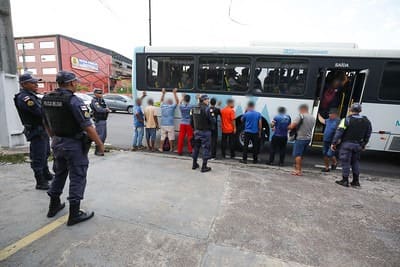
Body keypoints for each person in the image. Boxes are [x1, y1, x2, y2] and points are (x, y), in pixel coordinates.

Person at [42, 71, 104, 226]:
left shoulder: (47, 98)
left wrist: (53, 137)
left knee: (59, 174)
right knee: (77, 176)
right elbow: (87, 126)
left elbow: (45, 122)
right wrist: (100, 143)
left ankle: (53, 206)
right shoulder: (74, 101)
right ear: (70, 83)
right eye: (75, 82)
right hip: (73, 145)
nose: (77, 84)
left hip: (57, 142)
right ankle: (74, 214)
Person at [14, 73, 53, 190]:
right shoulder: (25, 98)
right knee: (38, 156)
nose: (36, 85)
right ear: (24, 84)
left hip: (42, 129)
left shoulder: (32, 95)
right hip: (36, 130)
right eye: (33, 83)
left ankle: (46, 174)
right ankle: (40, 181)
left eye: (36, 82)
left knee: (45, 153)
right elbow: (40, 112)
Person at [331, 103, 372, 187]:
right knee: (355, 162)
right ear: (360, 110)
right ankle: (356, 181)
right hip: (358, 145)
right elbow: (368, 134)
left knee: (346, 162)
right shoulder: (366, 121)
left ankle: (345, 180)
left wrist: (333, 143)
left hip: (347, 144)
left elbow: (339, 132)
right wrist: (364, 144)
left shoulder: (346, 120)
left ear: (350, 110)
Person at [288, 104, 316, 176]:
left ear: (302, 109)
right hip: (308, 138)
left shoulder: (301, 116)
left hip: (300, 138)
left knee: (297, 155)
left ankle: (298, 171)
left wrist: (287, 126)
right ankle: (297, 169)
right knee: (301, 155)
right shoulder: (312, 117)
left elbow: (292, 126)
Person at [191, 95, 213, 172]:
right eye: (207, 99)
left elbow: (191, 120)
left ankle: (194, 164)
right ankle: (204, 167)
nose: (208, 101)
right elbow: (211, 120)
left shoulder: (194, 108)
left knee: (196, 147)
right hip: (205, 131)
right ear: (204, 100)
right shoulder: (207, 109)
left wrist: (194, 128)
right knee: (206, 148)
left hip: (197, 131)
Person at [90, 88, 110, 156]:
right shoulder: (94, 101)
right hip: (99, 120)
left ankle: (102, 148)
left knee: (104, 135)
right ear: (95, 94)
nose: (101, 94)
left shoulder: (102, 100)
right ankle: (97, 151)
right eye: (99, 93)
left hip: (103, 119)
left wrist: (106, 109)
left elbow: (105, 107)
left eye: (101, 93)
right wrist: (106, 110)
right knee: (100, 136)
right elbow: (98, 109)